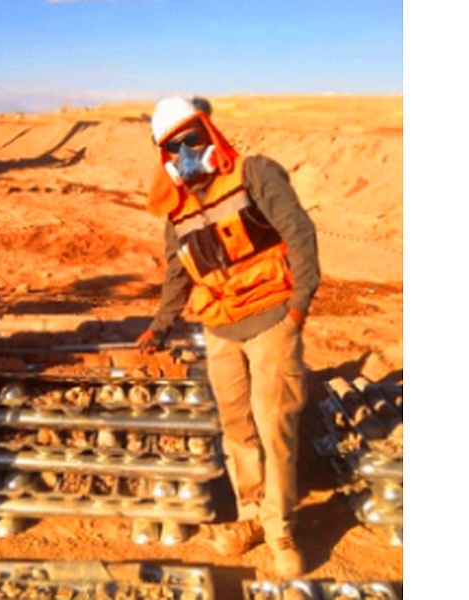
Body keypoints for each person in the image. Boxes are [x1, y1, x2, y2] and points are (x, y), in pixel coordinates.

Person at [137, 96, 320, 578]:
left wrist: (299, 306)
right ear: (164, 155)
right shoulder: (175, 208)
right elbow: (177, 273)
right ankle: (251, 516)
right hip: (219, 328)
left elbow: (299, 232)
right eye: (172, 146)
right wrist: (160, 324)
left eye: (190, 138)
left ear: (207, 132)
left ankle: (281, 529)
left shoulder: (254, 173)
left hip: (271, 320)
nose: (184, 151)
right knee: (237, 428)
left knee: (273, 425)